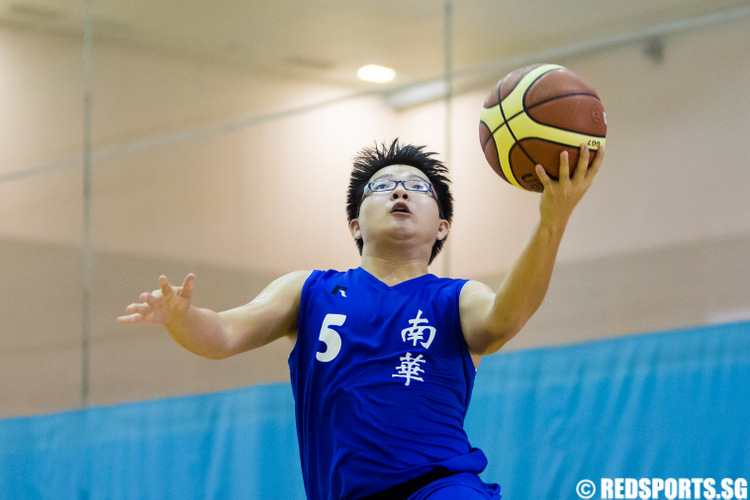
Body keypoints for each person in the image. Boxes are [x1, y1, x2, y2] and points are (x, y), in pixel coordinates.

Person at [118, 139, 603, 499]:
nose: (400, 192)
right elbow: (223, 335)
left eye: (418, 187)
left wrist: (552, 220)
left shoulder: (455, 298)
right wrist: (182, 318)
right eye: (383, 186)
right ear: (354, 223)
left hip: (440, 487)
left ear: (442, 226)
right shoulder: (309, 290)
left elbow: (505, 318)